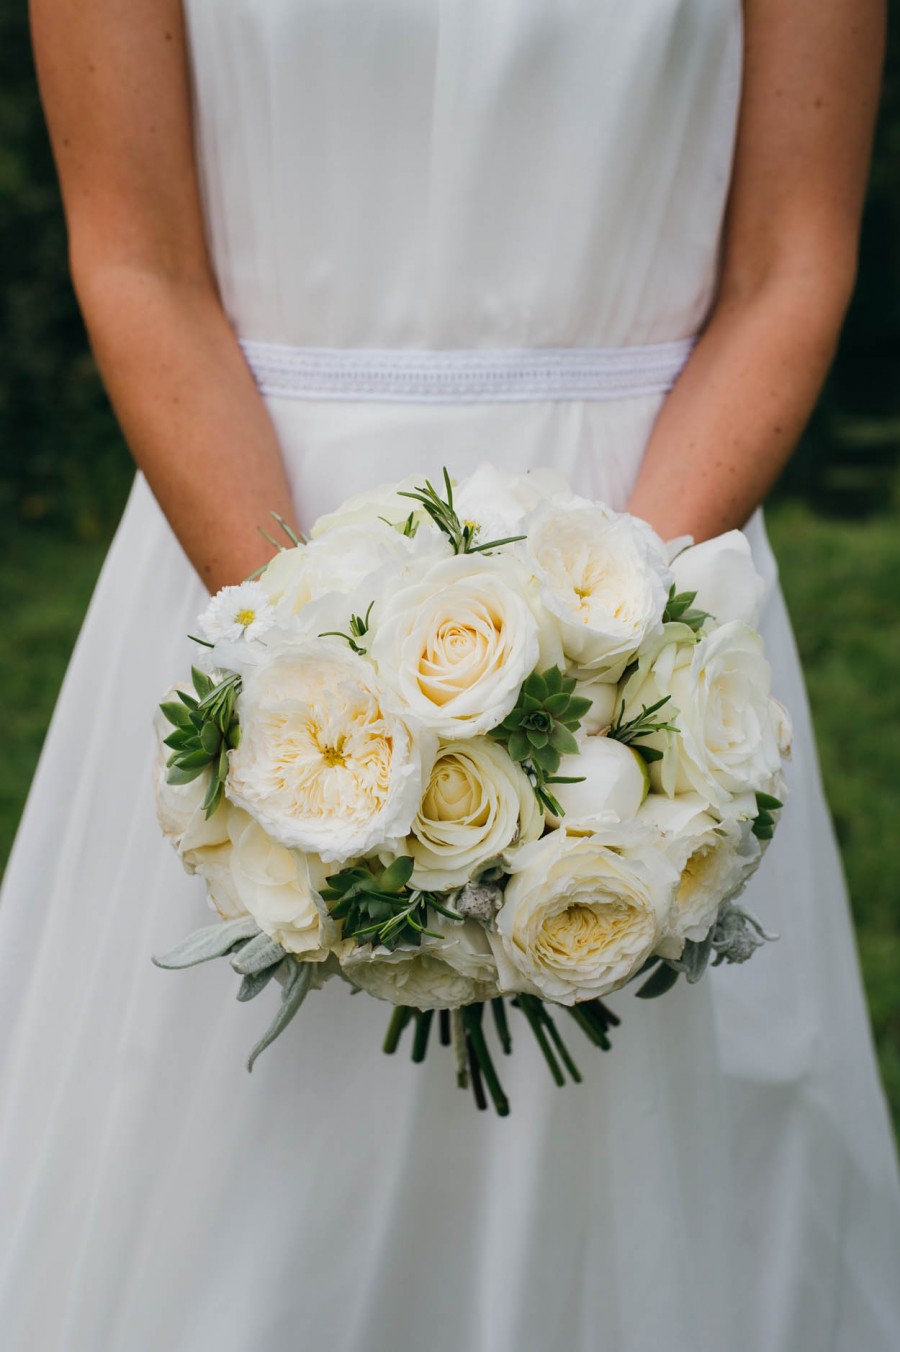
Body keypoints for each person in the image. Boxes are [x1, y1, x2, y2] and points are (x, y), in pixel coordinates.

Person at [2, 0, 899, 1348]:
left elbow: (790, 261)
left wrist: (621, 658)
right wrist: (302, 663)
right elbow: (139, 260)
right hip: (249, 549)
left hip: (646, 557)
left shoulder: (631, 639)